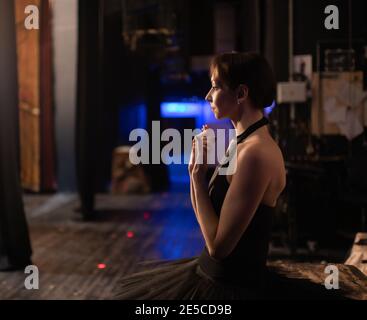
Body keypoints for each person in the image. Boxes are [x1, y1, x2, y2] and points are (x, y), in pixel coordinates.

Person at [114, 52, 286, 299]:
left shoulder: (255, 154)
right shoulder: (241, 142)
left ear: (241, 94)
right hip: (212, 275)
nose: (207, 95)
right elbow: (211, 218)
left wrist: (197, 176)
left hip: (230, 287)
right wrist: (195, 171)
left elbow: (218, 247)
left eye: (215, 86)